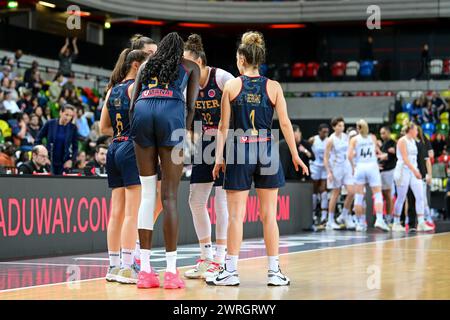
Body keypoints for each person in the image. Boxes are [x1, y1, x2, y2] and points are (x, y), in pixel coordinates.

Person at [209, 31, 308, 286]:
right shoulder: (273, 87)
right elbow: (285, 124)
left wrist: (219, 157)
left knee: (235, 216)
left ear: (242, 58)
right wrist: (296, 156)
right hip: (266, 150)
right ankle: (275, 272)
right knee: (269, 216)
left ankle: (230, 271)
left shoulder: (231, 86)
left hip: (240, 150)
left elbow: (223, 126)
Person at [129, 32, 200, 289]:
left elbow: (132, 101)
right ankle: (171, 272)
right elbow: (191, 106)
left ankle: (145, 271)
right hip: (171, 116)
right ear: (180, 50)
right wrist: (183, 131)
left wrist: (136, 128)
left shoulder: (147, 64)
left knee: (147, 194)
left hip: (142, 113)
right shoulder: (190, 66)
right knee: (169, 196)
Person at [182, 34, 234, 280]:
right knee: (195, 200)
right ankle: (206, 256)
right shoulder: (187, 86)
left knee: (221, 200)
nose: (185, 69)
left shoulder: (223, 78)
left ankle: (221, 260)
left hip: (230, 140)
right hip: (205, 143)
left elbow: (240, 110)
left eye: (188, 64)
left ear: (200, 62)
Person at [100, 49, 149, 284]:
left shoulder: (112, 90)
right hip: (130, 148)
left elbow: (103, 128)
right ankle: (129, 266)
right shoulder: (136, 89)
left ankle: (113, 265)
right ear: (136, 65)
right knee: (132, 212)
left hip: (113, 148)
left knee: (116, 212)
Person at [348, 120, 389, 231]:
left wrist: (353, 167)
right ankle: (379, 219)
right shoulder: (372, 137)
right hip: (372, 166)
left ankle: (360, 223)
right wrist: (382, 156)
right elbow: (377, 152)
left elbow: (349, 156)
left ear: (358, 128)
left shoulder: (354, 140)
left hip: (360, 166)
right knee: (377, 194)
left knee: (359, 196)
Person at [392, 123, 434, 232]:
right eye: (416, 130)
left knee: (420, 196)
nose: (417, 132)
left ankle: (421, 222)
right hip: (403, 170)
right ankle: (396, 223)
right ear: (410, 130)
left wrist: (417, 170)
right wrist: (415, 171)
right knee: (401, 197)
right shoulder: (402, 141)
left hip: (413, 171)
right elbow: (405, 159)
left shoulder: (413, 141)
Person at [323, 117, 355, 230]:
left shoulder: (346, 138)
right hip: (336, 168)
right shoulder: (330, 140)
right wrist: (329, 172)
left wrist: (352, 166)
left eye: (343, 125)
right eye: (339, 125)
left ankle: (344, 215)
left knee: (352, 192)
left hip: (346, 167)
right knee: (335, 194)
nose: (342, 127)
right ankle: (330, 220)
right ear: (334, 127)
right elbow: (325, 158)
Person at [35, 104, 78, 175]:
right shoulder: (50, 124)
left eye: (70, 116)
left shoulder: (73, 128)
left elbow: (75, 147)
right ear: (61, 112)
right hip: (48, 160)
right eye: (66, 114)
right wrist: (42, 156)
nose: (68, 118)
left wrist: (71, 160)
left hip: (64, 163)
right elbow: (38, 139)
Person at [308, 123, 331, 226]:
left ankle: (324, 216)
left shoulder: (329, 140)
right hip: (315, 166)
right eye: (324, 132)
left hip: (324, 167)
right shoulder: (313, 139)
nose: (325, 133)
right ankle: (312, 214)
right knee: (314, 191)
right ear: (319, 131)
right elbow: (307, 149)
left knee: (324, 191)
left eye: (327, 132)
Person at [379, 126, 396, 224]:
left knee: (388, 195)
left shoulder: (393, 143)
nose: (382, 135)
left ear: (389, 133)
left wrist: (385, 156)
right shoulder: (383, 144)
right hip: (382, 172)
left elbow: (389, 155)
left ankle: (389, 216)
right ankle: (383, 216)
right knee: (383, 195)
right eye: (381, 133)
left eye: (384, 133)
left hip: (389, 171)